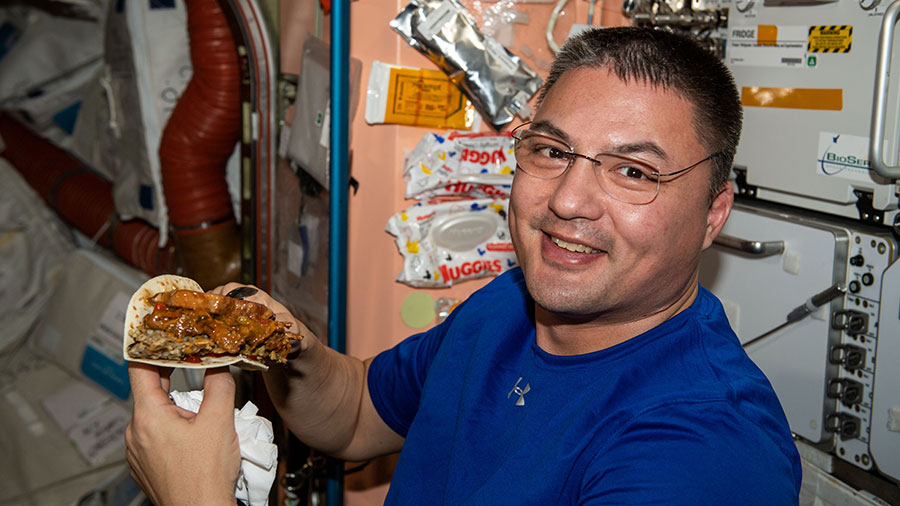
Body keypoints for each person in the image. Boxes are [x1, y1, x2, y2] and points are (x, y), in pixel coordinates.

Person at [126, 27, 802, 505]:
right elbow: (362, 412)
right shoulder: (512, 304)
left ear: (714, 213)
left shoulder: (701, 447)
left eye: (632, 171)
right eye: (552, 151)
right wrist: (290, 350)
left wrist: (195, 497)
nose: (568, 200)